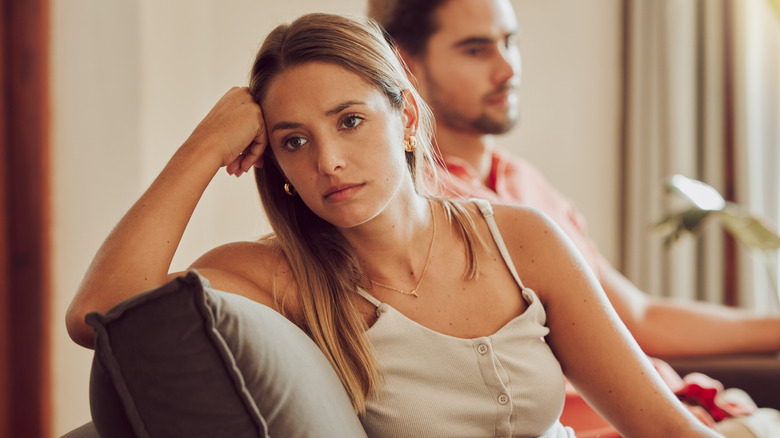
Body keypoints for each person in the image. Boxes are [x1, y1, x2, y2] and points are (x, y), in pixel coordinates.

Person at [66, 12, 721, 437]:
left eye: (350, 121)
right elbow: (99, 315)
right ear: (275, 160)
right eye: (294, 140)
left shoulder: (521, 240)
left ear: (406, 118)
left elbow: (664, 426)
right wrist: (203, 148)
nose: (328, 161)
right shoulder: (274, 275)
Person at [368, 0, 779, 435]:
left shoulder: (523, 182)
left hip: (700, 409)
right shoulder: (413, 211)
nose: (508, 69)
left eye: (509, 42)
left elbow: (636, 317)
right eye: (475, 49)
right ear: (404, 63)